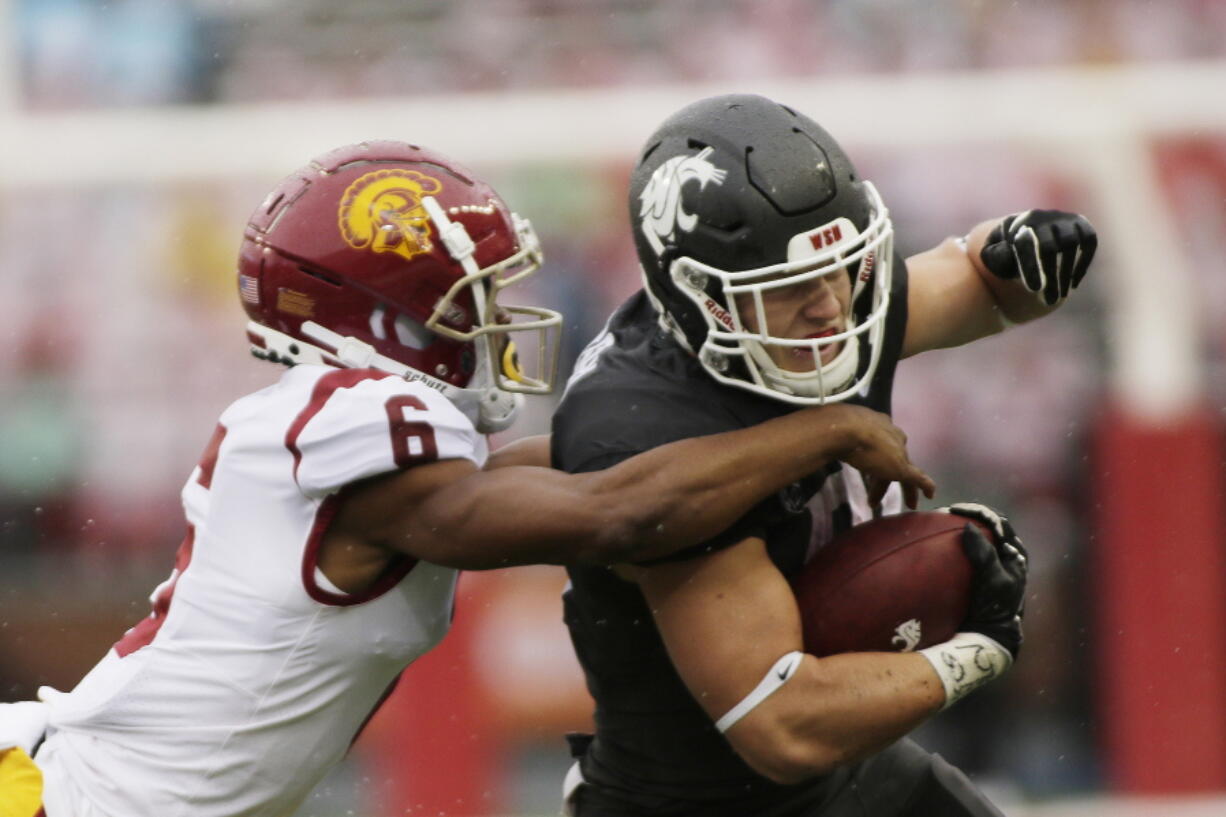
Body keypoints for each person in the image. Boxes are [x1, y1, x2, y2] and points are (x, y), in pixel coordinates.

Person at [0, 140, 936, 817]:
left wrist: (735, 413)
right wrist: (821, 428)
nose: (495, 318)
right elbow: (611, 511)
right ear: (380, 319)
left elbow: (581, 469)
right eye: (469, 298)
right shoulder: (357, 422)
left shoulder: (360, 437)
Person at [552, 94, 1098, 816]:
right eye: (791, 288)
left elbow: (971, 283)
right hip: (699, 802)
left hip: (853, 775)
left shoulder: (819, 305)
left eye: (842, 269)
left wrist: (1022, 254)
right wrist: (979, 649)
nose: (831, 308)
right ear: (700, 298)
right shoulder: (646, 426)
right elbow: (781, 724)